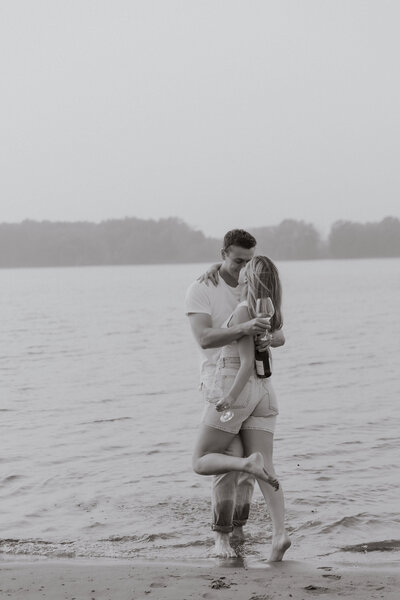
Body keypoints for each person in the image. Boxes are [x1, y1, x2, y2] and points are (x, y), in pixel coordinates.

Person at [184, 229, 282, 557]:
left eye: (249, 262)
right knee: (230, 463)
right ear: (223, 253)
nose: (243, 269)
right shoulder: (202, 288)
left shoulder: (250, 283)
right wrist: (244, 329)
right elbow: (204, 339)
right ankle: (221, 537)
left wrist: (269, 339)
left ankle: (238, 532)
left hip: (251, 382)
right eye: (238, 261)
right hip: (219, 379)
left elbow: (277, 332)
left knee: (245, 465)